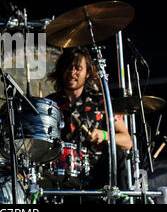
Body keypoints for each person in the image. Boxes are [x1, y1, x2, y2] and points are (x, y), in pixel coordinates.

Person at [47, 47, 132, 198]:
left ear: (87, 74)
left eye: (77, 68)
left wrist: (104, 135)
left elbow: (127, 141)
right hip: (61, 174)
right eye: (68, 67)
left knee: (117, 155)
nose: (72, 73)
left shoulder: (101, 101)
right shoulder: (50, 103)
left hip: (99, 173)